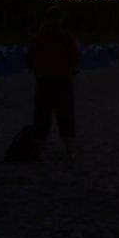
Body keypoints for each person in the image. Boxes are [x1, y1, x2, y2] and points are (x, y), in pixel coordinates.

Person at [27, 8, 81, 158]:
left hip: (43, 79)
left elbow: (30, 58)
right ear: (60, 20)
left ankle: (40, 149)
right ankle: (70, 150)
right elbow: (75, 57)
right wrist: (73, 69)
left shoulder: (38, 37)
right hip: (63, 79)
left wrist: (35, 69)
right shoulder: (66, 37)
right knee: (65, 114)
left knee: (42, 115)